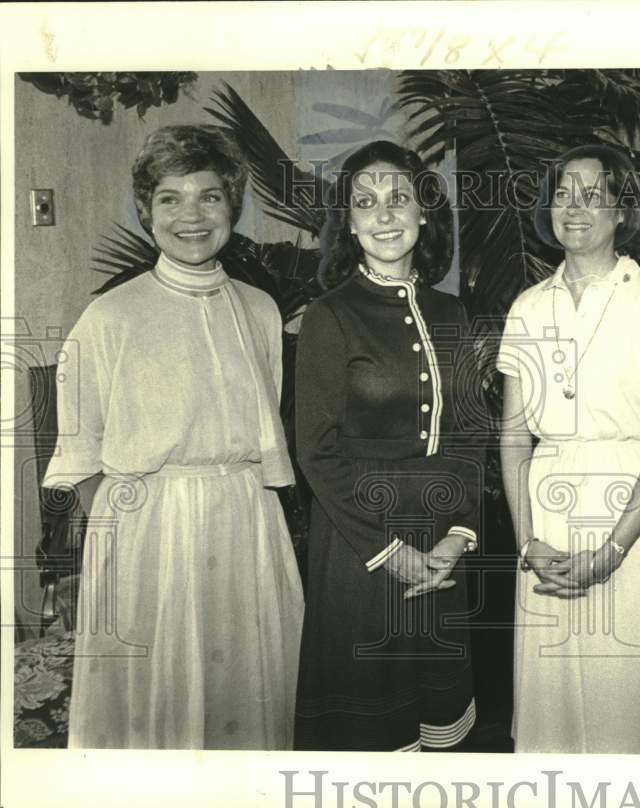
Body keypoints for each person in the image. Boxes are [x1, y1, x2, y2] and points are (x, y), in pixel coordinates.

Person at [43, 125, 304, 749]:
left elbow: (264, 424)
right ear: (146, 211)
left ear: (231, 209)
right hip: (148, 537)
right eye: (170, 199)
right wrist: (131, 547)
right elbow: (78, 460)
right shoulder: (109, 316)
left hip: (246, 524)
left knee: (248, 698)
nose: (191, 215)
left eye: (209, 197)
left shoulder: (260, 309)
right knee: (153, 716)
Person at [496, 144, 640, 753]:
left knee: (639, 703)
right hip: (549, 523)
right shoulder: (529, 307)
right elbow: (514, 435)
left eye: (594, 194)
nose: (576, 206)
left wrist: (613, 548)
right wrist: (526, 540)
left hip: (636, 519)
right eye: (564, 193)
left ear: (622, 212)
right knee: (557, 711)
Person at [294, 141, 482, 751]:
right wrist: (387, 550)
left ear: (424, 211)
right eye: (365, 203)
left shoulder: (453, 313)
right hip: (360, 548)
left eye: (398, 198)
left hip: (441, 541)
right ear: (348, 223)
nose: (384, 214)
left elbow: (469, 434)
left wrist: (460, 535)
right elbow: (316, 451)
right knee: (374, 739)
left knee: (441, 737)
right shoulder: (330, 315)